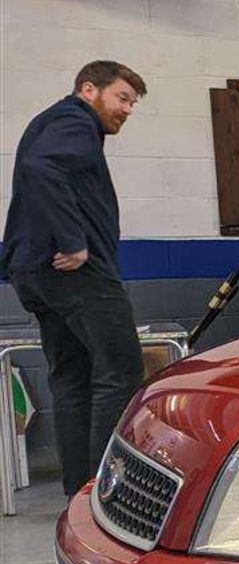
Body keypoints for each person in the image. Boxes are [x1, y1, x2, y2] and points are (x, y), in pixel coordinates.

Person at [3, 62, 148, 496]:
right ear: (89, 89)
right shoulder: (73, 120)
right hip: (76, 273)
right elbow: (41, 168)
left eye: (132, 103)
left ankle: (80, 493)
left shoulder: (56, 122)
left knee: (74, 378)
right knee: (120, 369)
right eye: (122, 98)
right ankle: (110, 494)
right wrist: (74, 241)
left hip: (40, 274)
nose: (127, 110)